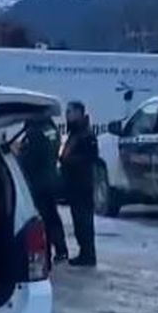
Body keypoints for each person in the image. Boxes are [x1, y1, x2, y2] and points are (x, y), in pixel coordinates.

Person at [17, 117, 67, 262]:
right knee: (52, 216)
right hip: (51, 179)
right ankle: (61, 249)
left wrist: (19, 155)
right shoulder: (51, 128)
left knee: (42, 220)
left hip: (38, 182)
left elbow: (27, 158)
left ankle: (46, 253)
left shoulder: (34, 132)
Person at [59, 101, 99, 267]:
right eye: (67, 112)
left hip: (83, 185)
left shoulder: (86, 134)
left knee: (84, 222)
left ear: (79, 113)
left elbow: (91, 158)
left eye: (70, 112)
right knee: (78, 221)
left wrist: (69, 161)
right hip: (74, 184)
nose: (67, 115)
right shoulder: (75, 133)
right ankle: (84, 252)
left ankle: (88, 254)